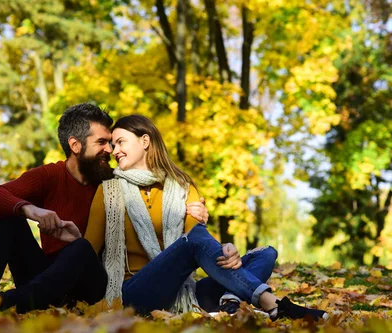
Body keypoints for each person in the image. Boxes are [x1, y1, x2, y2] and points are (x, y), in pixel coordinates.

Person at [59, 114, 329, 321]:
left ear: (144, 141)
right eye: (112, 144)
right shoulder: (108, 191)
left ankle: (230, 303)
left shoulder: (182, 188)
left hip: (183, 292)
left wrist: (227, 249)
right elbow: (88, 250)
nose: (114, 150)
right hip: (133, 292)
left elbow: (199, 241)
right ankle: (273, 304)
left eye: (120, 142)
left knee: (265, 254)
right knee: (194, 240)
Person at [0, 104, 210, 313]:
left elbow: (154, 200)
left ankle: (8, 302)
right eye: (102, 142)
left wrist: (192, 212)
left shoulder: (113, 183)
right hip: (45, 275)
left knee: (81, 248)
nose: (110, 151)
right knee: (6, 217)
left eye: (112, 143)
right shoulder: (50, 176)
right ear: (75, 145)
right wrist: (30, 210)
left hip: (90, 283)